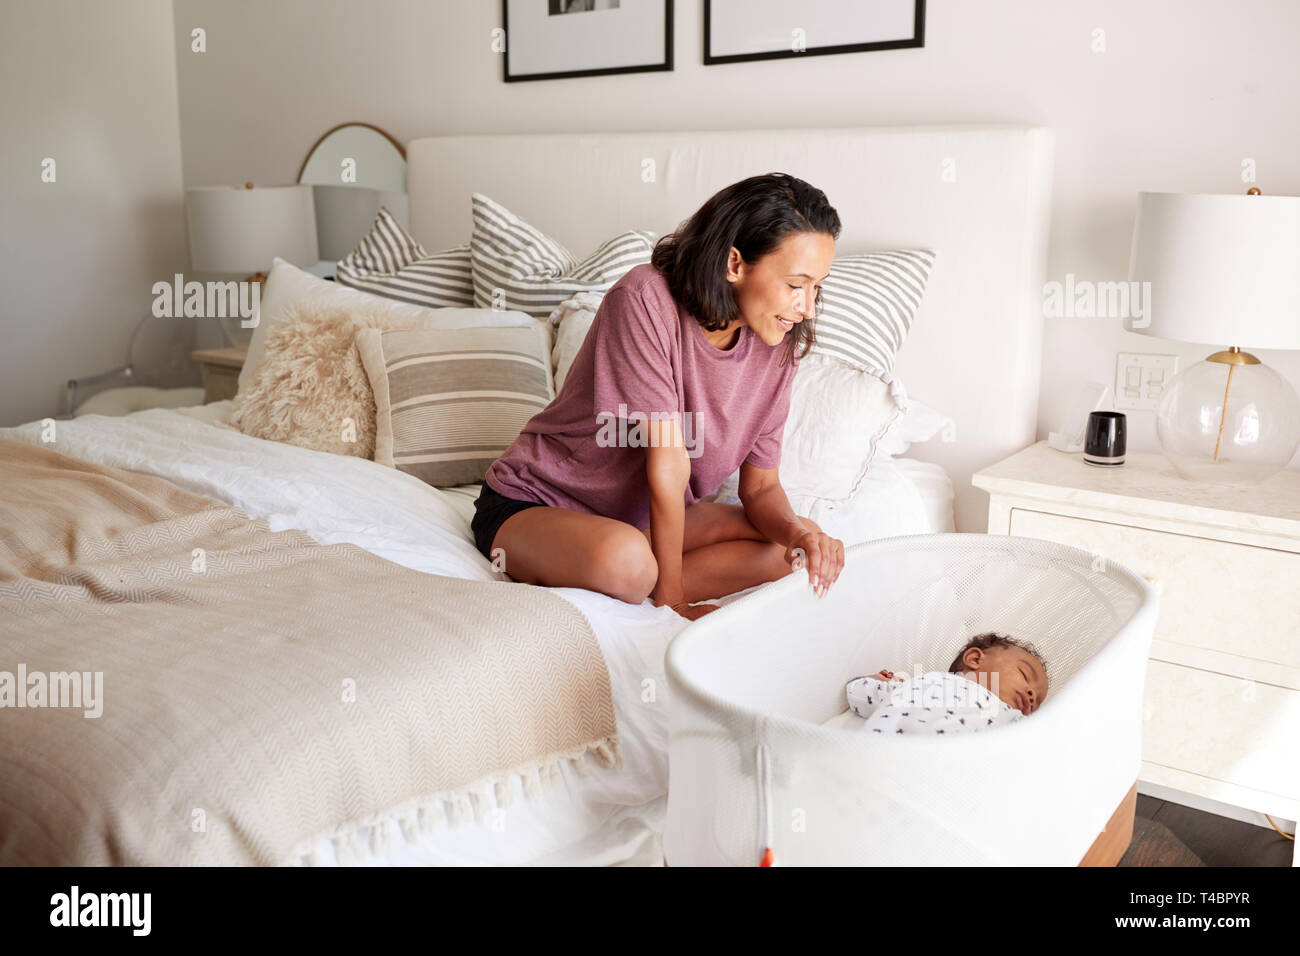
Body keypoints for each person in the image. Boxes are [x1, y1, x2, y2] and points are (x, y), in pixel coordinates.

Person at [470, 172, 846, 620]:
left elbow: (761, 487)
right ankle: (643, 573)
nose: (806, 307)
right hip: (536, 504)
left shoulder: (778, 346)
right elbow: (668, 464)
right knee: (629, 564)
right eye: (795, 284)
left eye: (816, 288)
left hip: (641, 523)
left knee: (799, 547)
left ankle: (646, 566)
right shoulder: (645, 298)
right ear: (735, 264)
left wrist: (798, 536)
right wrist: (672, 600)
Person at [840, 633, 1049, 733]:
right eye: (1024, 674)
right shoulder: (927, 682)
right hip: (882, 763)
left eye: (1038, 702)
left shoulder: (1015, 722)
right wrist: (876, 681)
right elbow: (858, 693)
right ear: (975, 659)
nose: (1032, 695)